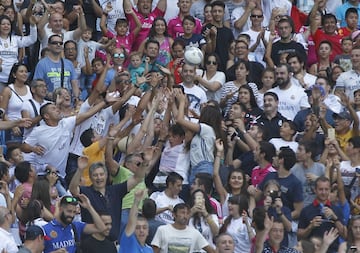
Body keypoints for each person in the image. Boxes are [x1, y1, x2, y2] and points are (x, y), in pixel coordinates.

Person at [297, 176, 347, 253]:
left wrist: (335, 218)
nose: (323, 192)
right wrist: (310, 227)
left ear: (330, 190)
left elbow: (344, 235)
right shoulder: (306, 210)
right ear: (315, 190)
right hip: (312, 250)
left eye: (326, 189)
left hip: (333, 250)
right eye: (320, 189)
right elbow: (299, 236)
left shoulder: (337, 210)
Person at [151, 203, 216, 253]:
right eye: (182, 213)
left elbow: (211, 251)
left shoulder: (194, 233)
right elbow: (154, 251)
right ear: (173, 214)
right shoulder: (162, 230)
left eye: (187, 213)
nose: (185, 216)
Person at [33, 34, 80, 100]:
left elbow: (74, 83)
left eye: (60, 43)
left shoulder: (69, 63)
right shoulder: (42, 64)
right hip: (50, 103)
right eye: (54, 43)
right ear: (48, 45)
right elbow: (37, 85)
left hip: (67, 103)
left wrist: (76, 98)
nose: (58, 45)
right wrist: (49, 95)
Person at [1, 63, 33, 145]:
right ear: (14, 75)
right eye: (21, 71)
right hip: (13, 128)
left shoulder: (30, 89)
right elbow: (2, 112)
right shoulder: (8, 90)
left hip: (28, 127)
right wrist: (13, 125)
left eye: (26, 72)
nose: (24, 74)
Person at [0, 15, 37, 86]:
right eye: (3, 24)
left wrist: (32, 26)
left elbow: (32, 39)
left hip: (14, 79)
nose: (6, 26)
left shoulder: (15, 39)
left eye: (8, 24)